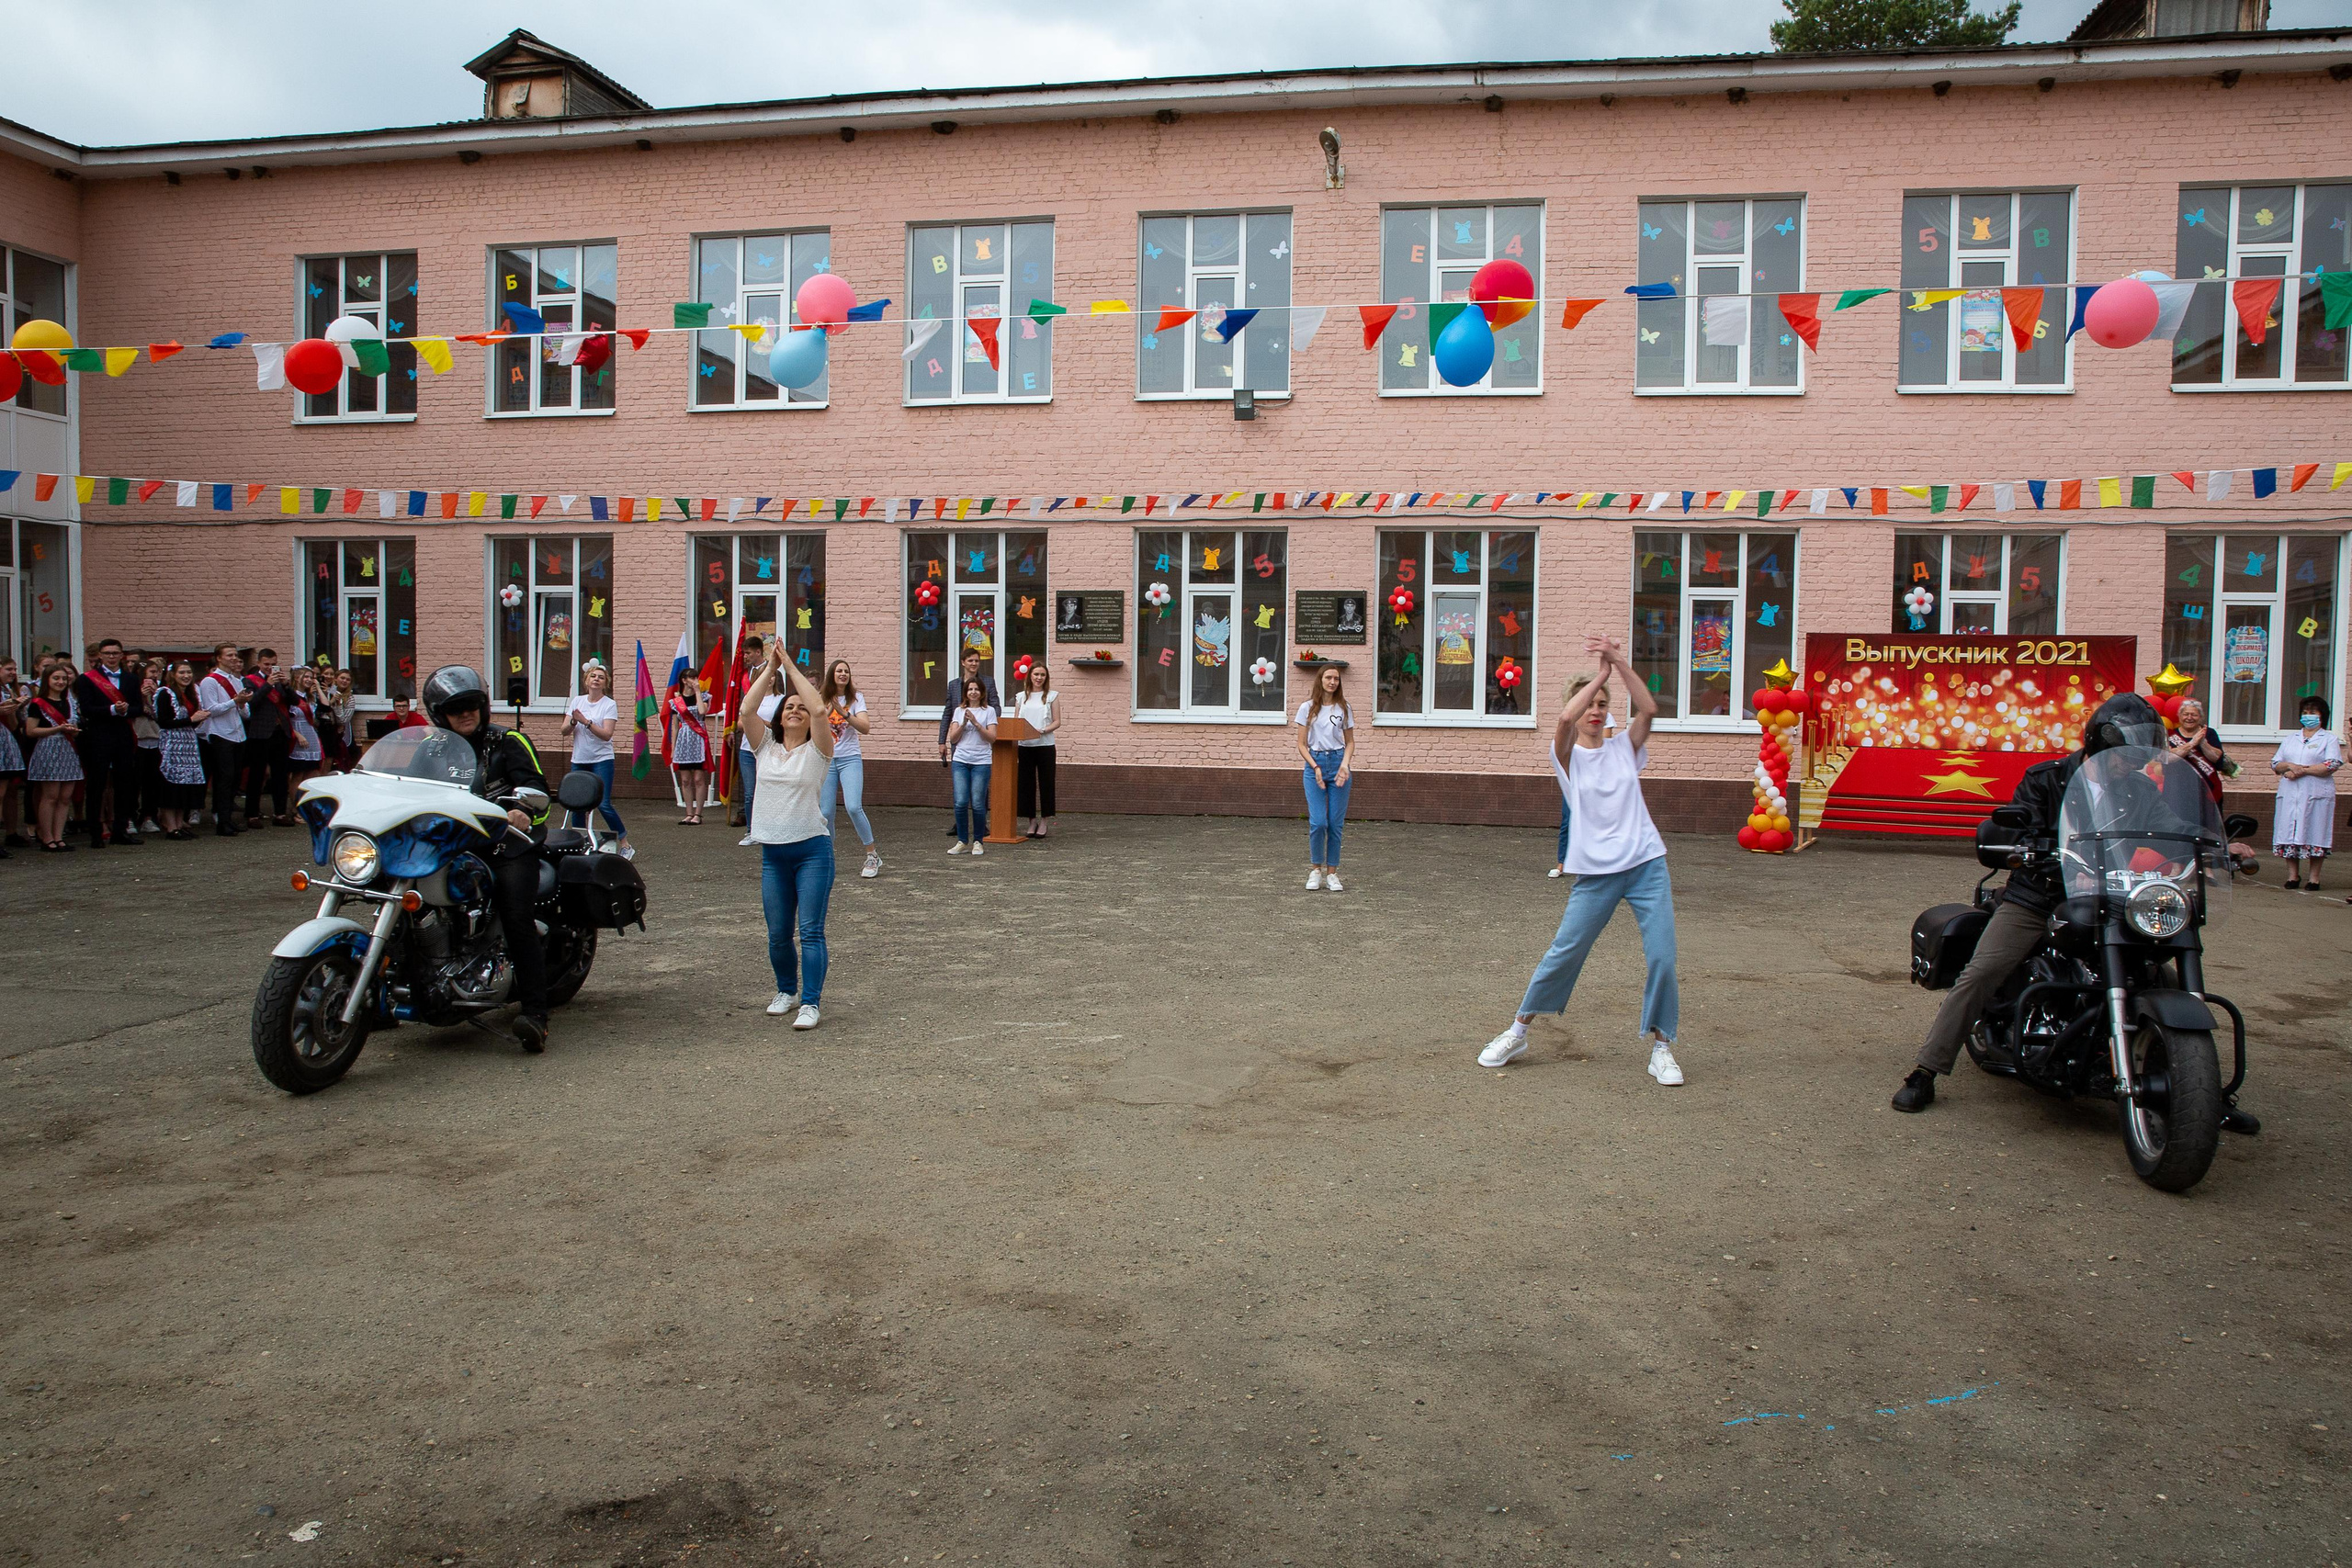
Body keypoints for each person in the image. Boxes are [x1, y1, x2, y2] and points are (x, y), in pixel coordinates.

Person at [1892, 692, 2173, 1112]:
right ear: (2099, 744)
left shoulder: (2138, 789)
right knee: (1982, 972)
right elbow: (2020, 826)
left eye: (2138, 758)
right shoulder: (2048, 778)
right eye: (2125, 756)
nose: (2131, 765)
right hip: (2039, 897)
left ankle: (2190, 1086)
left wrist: (2215, 840)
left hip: (2110, 896)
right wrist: (2042, 855)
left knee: (2160, 975)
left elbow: (2171, 824)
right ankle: (1926, 1070)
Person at [1479, 638, 1683, 1086]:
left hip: (1647, 864)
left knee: (1663, 957)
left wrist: (1620, 666)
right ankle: (1517, 1032)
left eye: (1603, 705)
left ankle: (1661, 1047)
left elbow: (1648, 709)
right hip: (1596, 874)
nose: (1595, 710)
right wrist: (1600, 678)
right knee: (1564, 952)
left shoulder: (1625, 748)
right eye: (1591, 702)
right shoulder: (1567, 757)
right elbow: (1564, 718)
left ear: (1609, 711)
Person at [423, 664, 553, 1054]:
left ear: (482, 706)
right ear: (438, 715)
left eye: (471, 706)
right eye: (454, 709)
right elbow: (402, 787)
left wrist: (524, 811)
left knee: (515, 915)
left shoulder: (507, 741)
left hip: (506, 844)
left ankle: (535, 1014)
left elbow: (536, 787)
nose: (465, 714)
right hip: (449, 845)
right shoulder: (429, 749)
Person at [741, 639, 836, 1030]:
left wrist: (791, 666)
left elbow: (818, 707)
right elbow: (747, 709)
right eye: (789, 707)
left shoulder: (819, 750)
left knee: (810, 931)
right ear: (779, 718)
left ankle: (810, 1003)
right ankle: (786, 990)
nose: (796, 711)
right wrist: (769, 669)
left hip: (812, 852)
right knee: (779, 934)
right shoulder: (764, 748)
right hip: (773, 856)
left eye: (800, 708)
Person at [72, 637, 143, 848]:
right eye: (107, 654)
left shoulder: (130, 679)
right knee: (96, 785)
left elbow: (138, 708)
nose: (112, 657)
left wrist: (126, 710)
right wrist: (112, 710)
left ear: (122, 656)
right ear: (100, 656)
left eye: (115, 653)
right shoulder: (87, 679)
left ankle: (120, 830)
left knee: (124, 784)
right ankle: (95, 832)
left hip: (123, 735)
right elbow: (86, 709)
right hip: (98, 736)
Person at [1294, 665, 1355, 891]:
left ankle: (1332, 873)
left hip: (1339, 764)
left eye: (1336, 678)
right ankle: (1315, 870)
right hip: (1315, 766)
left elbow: (1350, 742)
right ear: (1320, 680)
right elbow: (1301, 744)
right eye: (1328, 677)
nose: (1332, 682)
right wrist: (1315, 766)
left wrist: (1345, 765)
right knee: (1318, 822)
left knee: (1335, 824)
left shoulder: (1344, 708)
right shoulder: (1307, 708)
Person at [561, 660, 632, 859]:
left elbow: (607, 734)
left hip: (602, 759)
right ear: (586, 680)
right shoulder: (577, 701)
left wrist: (586, 722)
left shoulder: (609, 704)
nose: (596, 680)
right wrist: (574, 720)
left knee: (603, 803)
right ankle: (579, 842)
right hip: (580, 759)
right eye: (593, 676)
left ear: (605, 683)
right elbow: (564, 730)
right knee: (578, 804)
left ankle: (625, 843)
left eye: (601, 677)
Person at [818, 658, 881, 877]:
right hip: (827, 760)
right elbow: (811, 728)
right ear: (831, 675)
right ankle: (827, 858)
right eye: (838, 671)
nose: (843, 674)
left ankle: (872, 855)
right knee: (825, 812)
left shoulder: (856, 698)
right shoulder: (820, 698)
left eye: (846, 671)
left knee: (853, 807)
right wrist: (826, 711)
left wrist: (844, 713)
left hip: (849, 759)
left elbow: (865, 728)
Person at [2271, 695, 2341, 892]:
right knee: (2289, 832)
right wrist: (2290, 766)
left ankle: (2314, 878)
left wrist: (2302, 770)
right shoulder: (2290, 739)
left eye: (2313, 712)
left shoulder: (2329, 738)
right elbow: (2276, 764)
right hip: (2290, 792)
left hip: (2316, 792)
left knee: (2315, 832)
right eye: (2305, 712)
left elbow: (2332, 764)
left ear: (2322, 716)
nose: (2308, 716)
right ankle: (2293, 875)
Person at [22, 663, 85, 852]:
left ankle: (59, 837)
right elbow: (31, 730)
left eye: (64, 679)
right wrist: (57, 729)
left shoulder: (69, 702)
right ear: (47, 680)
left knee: (65, 797)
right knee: (50, 796)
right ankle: (46, 837)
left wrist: (73, 732)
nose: (60, 682)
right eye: (56, 678)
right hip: (48, 749)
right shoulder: (38, 703)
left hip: (68, 749)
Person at [936, 647, 999, 835]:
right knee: (960, 785)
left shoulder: (988, 681)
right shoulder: (954, 684)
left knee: (980, 786)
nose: (974, 664)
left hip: (980, 740)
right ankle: (959, 823)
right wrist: (942, 741)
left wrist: (983, 718)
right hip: (959, 740)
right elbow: (948, 712)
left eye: (977, 661)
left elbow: (996, 706)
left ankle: (981, 823)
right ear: (963, 662)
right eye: (970, 661)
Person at [195, 645, 252, 837]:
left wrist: (242, 703)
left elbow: (244, 712)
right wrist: (235, 701)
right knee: (224, 778)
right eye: (229, 655)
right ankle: (222, 820)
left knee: (234, 778)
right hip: (220, 733)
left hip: (237, 733)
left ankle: (228, 819)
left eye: (235, 655)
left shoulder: (236, 680)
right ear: (219, 658)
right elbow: (211, 709)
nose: (233, 658)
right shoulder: (209, 682)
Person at [152, 661, 207, 839]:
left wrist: (198, 719)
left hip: (188, 744)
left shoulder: (189, 693)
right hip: (172, 744)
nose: (186, 676)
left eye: (189, 672)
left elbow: (191, 721)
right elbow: (164, 722)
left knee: (184, 785)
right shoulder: (165, 693)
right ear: (173, 674)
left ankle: (179, 823)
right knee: (171, 786)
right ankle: (170, 826)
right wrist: (191, 720)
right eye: (182, 672)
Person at [946, 676, 998, 855]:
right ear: (965, 693)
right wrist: (964, 723)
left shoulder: (989, 711)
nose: (973, 692)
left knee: (977, 802)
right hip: (961, 760)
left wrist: (976, 723)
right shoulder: (959, 711)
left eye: (976, 689)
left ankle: (978, 841)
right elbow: (953, 738)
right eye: (970, 690)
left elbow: (992, 738)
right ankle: (962, 841)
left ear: (982, 692)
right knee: (960, 802)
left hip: (981, 762)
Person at [241, 647, 292, 828]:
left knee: (280, 775)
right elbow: (251, 703)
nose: (271, 668)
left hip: (280, 732)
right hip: (260, 733)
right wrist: (268, 684)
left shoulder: (279, 681)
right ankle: (252, 814)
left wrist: (286, 685)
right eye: (267, 664)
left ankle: (280, 813)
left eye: (274, 664)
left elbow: (292, 701)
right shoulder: (250, 680)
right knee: (257, 774)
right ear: (259, 664)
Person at [1014, 662, 1060, 840]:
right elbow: (1017, 721)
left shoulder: (1052, 696)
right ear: (1030, 676)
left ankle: (1044, 821)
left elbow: (1057, 721)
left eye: (1042, 675)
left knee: (1046, 783)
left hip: (1045, 746)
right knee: (1026, 785)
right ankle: (1031, 820)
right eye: (1036, 674)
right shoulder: (1021, 697)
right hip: (1025, 747)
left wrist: (1043, 730)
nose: (1039, 678)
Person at [2168, 697, 2233, 807]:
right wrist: (2192, 743)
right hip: (2178, 789)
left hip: (2206, 789)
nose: (2189, 718)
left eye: (2194, 715)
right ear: (2179, 716)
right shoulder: (2170, 734)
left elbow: (2216, 757)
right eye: (2186, 714)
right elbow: (2168, 757)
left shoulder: (2209, 733)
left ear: (2200, 717)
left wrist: (2203, 742)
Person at [732, 634, 765, 843]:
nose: (745, 656)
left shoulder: (770, 672)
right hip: (745, 738)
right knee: (748, 789)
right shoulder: (745, 674)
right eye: (744, 653)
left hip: (762, 740)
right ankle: (751, 829)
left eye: (748, 653)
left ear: (758, 652)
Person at [666, 671, 711, 824]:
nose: (694, 680)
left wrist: (698, 691)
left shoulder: (704, 696)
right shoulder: (676, 701)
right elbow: (674, 726)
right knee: (685, 780)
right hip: (683, 740)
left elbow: (702, 711)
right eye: (691, 678)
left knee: (698, 778)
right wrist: (673, 749)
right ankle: (689, 813)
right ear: (684, 680)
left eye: (696, 677)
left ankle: (698, 814)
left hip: (698, 738)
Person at [132, 669, 165, 835]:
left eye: (155, 675)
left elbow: (160, 716)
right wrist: (140, 697)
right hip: (137, 741)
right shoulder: (132, 693)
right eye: (149, 675)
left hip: (156, 741)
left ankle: (149, 816)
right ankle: (130, 817)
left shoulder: (161, 693)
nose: (152, 679)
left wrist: (150, 699)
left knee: (152, 783)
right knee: (133, 783)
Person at [285, 666, 326, 790]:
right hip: (298, 736)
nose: (309, 680)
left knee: (312, 774)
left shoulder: (310, 697)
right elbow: (285, 720)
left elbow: (326, 707)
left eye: (311, 677)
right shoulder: (291, 696)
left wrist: (318, 688)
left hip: (311, 736)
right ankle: (295, 807)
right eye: (306, 677)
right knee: (298, 775)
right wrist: (298, 735)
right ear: (297, 678)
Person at [0, 659, 25, 853]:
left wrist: (12, 709)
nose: (13, 673)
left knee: (8, 791)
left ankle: (10, 833)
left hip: (5, 741)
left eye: (15, 669)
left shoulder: (8, 690)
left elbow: (15, 725)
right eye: (9, 669)